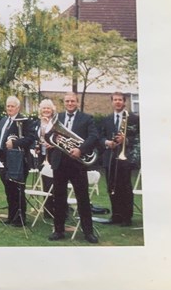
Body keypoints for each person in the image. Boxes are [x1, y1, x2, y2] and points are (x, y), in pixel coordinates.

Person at [48, 92, 99, 243]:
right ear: (64, 103)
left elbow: (93, 136)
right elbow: (52, 134)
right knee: (59, 199)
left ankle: (88, 232)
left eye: (72, 101)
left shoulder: (87, 118)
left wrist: (81, 150)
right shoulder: (58, 118)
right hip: (60, 162)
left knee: (82, 199)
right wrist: (55, 137)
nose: (70, 103)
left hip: (78, 164)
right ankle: (58, 230)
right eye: (67, 101)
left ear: (77, 102)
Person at [99, 92, 140, 227]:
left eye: (120, 100)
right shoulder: (107, 119)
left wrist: (126, 140)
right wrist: (107, 142)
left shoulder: (133, 118)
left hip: (125, 157)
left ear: (124, 102)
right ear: (112, 102)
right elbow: (100, 136)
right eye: (115, 100)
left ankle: (127, 217)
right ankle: (116, 216)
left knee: (125, 187)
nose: (117, 102)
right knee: (112, 187)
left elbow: (138, 137)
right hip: (110, 157)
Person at [0, 96, 35, 227]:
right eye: (8, 106)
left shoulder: (24, 121)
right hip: (4, 160)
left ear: (18, 107)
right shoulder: (3, 120)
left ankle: (20, 218)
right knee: (9, 190)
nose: (9, 108)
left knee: (18, 190)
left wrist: (15, 143)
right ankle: (11, 216)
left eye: (12, 106)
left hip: (19, 161)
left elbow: (31, 138)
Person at [34, 98, 56, 218]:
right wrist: (36, 146)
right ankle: (47, 210)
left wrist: (52, 145)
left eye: (48, 108)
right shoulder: (38, 123)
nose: (46, 110)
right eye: (44, 108)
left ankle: (57, 210)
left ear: (52, 110)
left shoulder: (55, 122)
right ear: (40, 110)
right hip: (42, 156)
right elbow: (36, 137)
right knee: (45, 183)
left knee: (55, 183)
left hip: (54, 155)